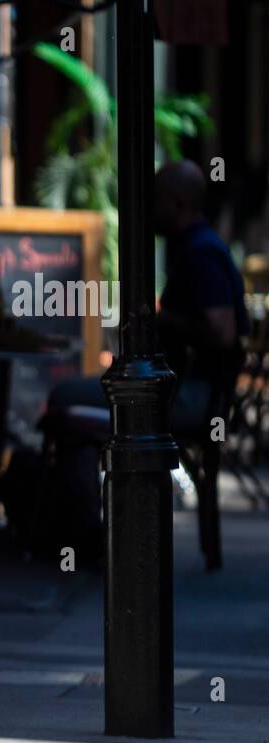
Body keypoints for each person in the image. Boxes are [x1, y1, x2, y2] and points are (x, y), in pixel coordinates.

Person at [154, 159, 249, 571]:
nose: (148, 209)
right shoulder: (194, 246)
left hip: (195, 395)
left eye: (155, 199)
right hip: (189, 389)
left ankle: (86, 541)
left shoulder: (200, 251)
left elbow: (223, 331)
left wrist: (161, 319)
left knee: (76, 403)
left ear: (177, 202)